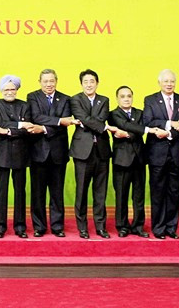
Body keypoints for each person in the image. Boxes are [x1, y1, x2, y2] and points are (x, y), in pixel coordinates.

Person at [108, 85, 166, 238]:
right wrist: (138, 131)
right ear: (117, 98)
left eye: (129, 96)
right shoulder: (113, 114)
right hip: (122, 161)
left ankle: (138, 226)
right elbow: (126, 125)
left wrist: (127, 134)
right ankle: (122, 226)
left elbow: (136, 129)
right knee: (121, 195)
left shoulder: (140, 113)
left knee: (139, 196)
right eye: (123, 96)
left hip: (140, 159)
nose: (126, 99)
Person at [25, 69, 76, 238]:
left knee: (57, 192)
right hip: (38, 152)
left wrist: (46, 128)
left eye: (52, 81)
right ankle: (39, 226)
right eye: (45, 81)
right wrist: (58, 121)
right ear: (40, 82)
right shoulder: (32, 97)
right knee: (37, 192)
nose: (49, 84)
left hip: (58, 152)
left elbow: (66, 124)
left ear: (56, 81)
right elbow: (35, 117)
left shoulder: (66, 98)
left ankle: (57, 226)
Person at [141, 69, 179, 240]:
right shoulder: (150, 100)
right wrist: (169, 123)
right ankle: (158, 228)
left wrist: (169, 133)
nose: (169, 84)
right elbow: (148, 121)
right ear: (159, 82)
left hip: (176, 152)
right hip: (157, 153)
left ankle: (171, 227)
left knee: (174, 192)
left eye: (172, 81)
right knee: (157, 191)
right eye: (166, 81)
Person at [0, 75, 36, 238]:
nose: (9, 92)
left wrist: (9, 130)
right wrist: (19, 124)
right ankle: (0, 226)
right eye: (6, 89)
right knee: (1, 192)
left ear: (17, 90)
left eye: (12, 89)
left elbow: (28, 129)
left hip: (21, 154)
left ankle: (20, 226)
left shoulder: (25, 105)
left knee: (20, 192)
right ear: (2, 90)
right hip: (1, 154)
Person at [69, 69, 112, 239]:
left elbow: (96, 120)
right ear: (81, 84)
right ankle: (82, 227)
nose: (89, 84)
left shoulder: (104, 100)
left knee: (100, 191)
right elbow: (83, 117)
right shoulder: (75, 99)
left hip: (101, 150)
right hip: (82, 151)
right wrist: (99, 125)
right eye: (86, 81)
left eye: (92, 81)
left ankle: (100, 226)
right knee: (81, 191)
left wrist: (90, 121)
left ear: (97, 83)